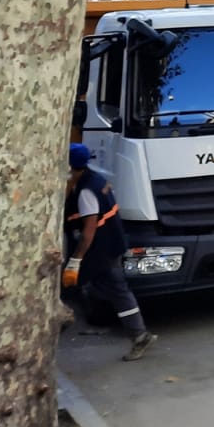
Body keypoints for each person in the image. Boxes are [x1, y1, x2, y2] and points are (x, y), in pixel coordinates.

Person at [64, 144, 155, 362]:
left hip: (100, 251)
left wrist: (75, 260)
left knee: (116, 291)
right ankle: (101, 320)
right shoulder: (95, 178)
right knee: (99, 288)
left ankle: (139, 335)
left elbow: (89, 231)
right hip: (111, 243)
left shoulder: (86, 191)